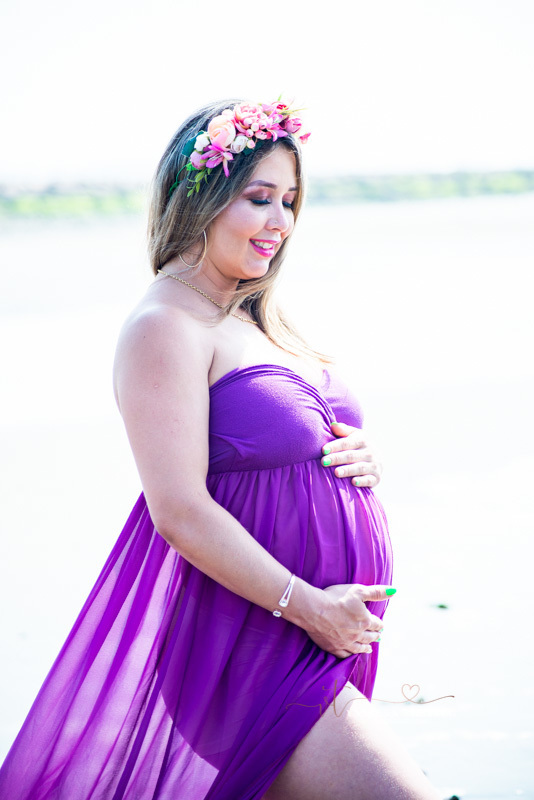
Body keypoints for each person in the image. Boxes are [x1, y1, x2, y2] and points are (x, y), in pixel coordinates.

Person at [0, 99, 440, 799]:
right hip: (244, 647)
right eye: (259, 198)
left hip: (313, 638)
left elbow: (286, 442)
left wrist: (357, 460)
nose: (280, 221)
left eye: (289, 201)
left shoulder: (251, 317)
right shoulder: (164, 326)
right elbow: (178, 510)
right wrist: (311, 607)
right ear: (199, 199)